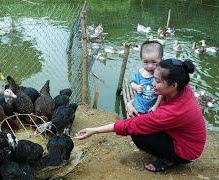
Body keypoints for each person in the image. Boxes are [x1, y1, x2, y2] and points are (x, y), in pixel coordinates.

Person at [75, 58, 206, 172]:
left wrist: (94, 130)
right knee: (140, 121)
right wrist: (131, 103)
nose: (153, 84)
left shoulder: (176, 110)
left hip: (187, 151)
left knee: (138, 134)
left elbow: (132, 125)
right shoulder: (181, 87)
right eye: (154, 78)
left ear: (173, 85)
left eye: (158, 81)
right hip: (181, 135)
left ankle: (169, 160)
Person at [130, 40, 163, 116]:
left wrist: (156, 106)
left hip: (153, 107)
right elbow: (132, 83)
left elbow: (161, 93)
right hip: (139, 106)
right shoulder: (139, 73)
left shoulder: (161, 75)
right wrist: (136, 87)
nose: (150, 66)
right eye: (145, 62)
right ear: (141, 59)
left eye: (154, 62)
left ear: (161, 59)